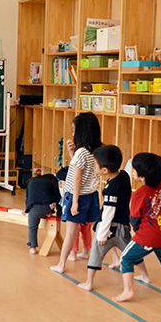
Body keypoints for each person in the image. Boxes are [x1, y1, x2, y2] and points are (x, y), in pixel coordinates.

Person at [114, 152, 161, 303]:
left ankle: (128, 290)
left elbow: (134, 217)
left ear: (142, 177)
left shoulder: (139, 194)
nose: (132, 172)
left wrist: (136, 230)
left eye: (134, 170)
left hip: (147, 236)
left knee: (126, 258)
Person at [50, 112, 102, 274]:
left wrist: (75, 202)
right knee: (98, 227)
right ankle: (114, 259)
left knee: (71, 232)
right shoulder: (96, 151)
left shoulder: (81, 153)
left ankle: (61, 264)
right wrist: (72, 153)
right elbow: (82, 170)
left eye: (74, 129)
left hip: (76, 196)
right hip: (92, 195)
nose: (72, 133)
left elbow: (77, 178)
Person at [78, 145, 133, 291]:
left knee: (96, 251)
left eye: (95, 164)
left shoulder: (111, 188)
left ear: (104, 170)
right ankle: (145, 275)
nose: (94, 166)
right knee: (131, 251)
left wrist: (101, 233)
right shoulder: (123, 176)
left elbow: (109, 212)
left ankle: (89, 282)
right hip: (124, 224)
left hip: (111, 226)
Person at [25, 173, 62, 254]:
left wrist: (26, 210)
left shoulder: (31, 182)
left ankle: (33, 248)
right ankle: (48, 212)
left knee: (32, 228)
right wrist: (55, 211)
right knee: (50, 204)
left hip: (33, 209)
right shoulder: (51, 181)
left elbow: (28, 198)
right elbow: (58, 197)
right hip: (47, 206)